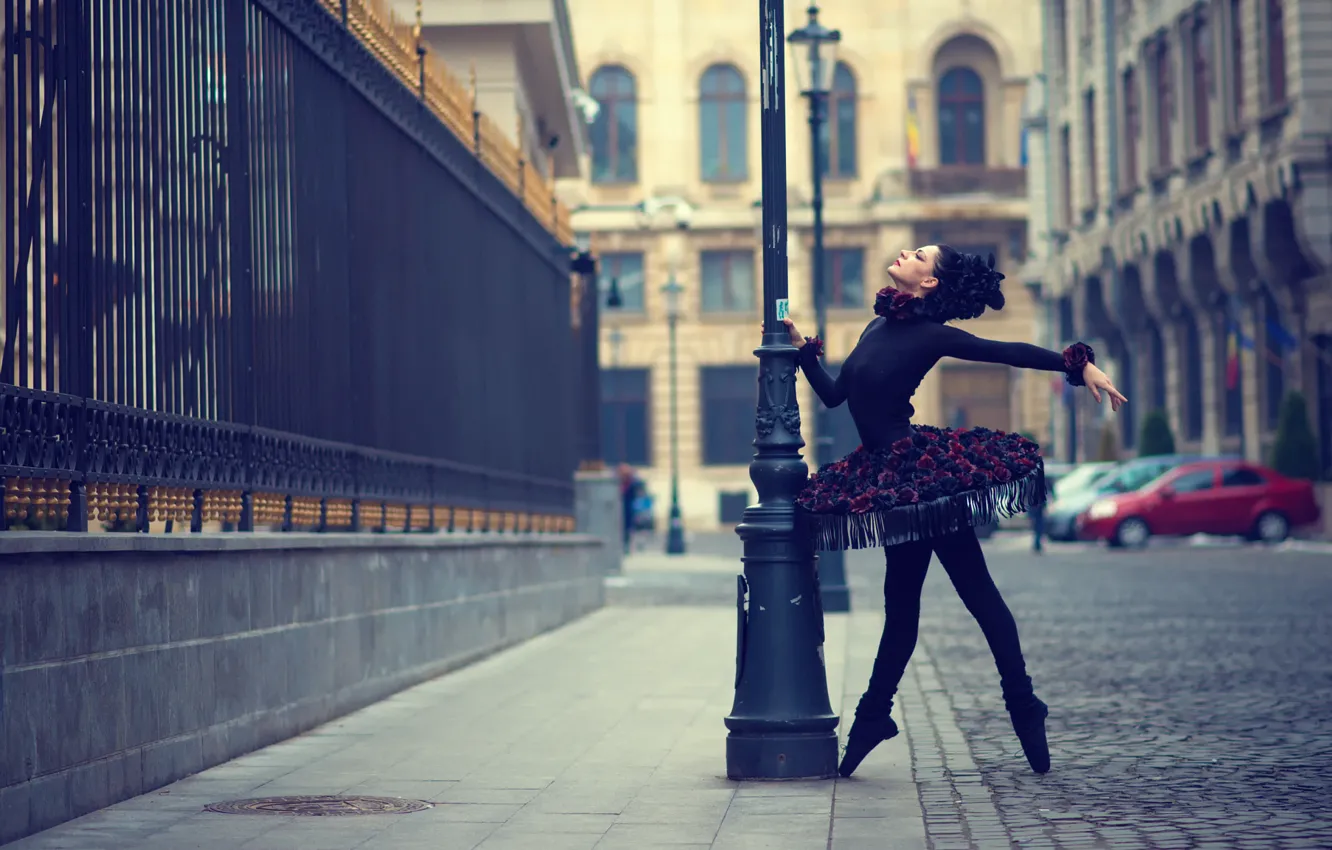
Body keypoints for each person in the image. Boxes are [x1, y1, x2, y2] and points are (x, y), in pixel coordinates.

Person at [782, 246, 1125, 778]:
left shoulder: (932, 335)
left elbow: (1007, 351)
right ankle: (878, 717)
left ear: (930, 283)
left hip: (925, 483)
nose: (905, 253)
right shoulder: (876, 325)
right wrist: (803, 350)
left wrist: (1080, 367)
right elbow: (833, 397)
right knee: (902, 610)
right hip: (895, 482)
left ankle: (1017, 704)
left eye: (919, 254)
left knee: (976, 597)